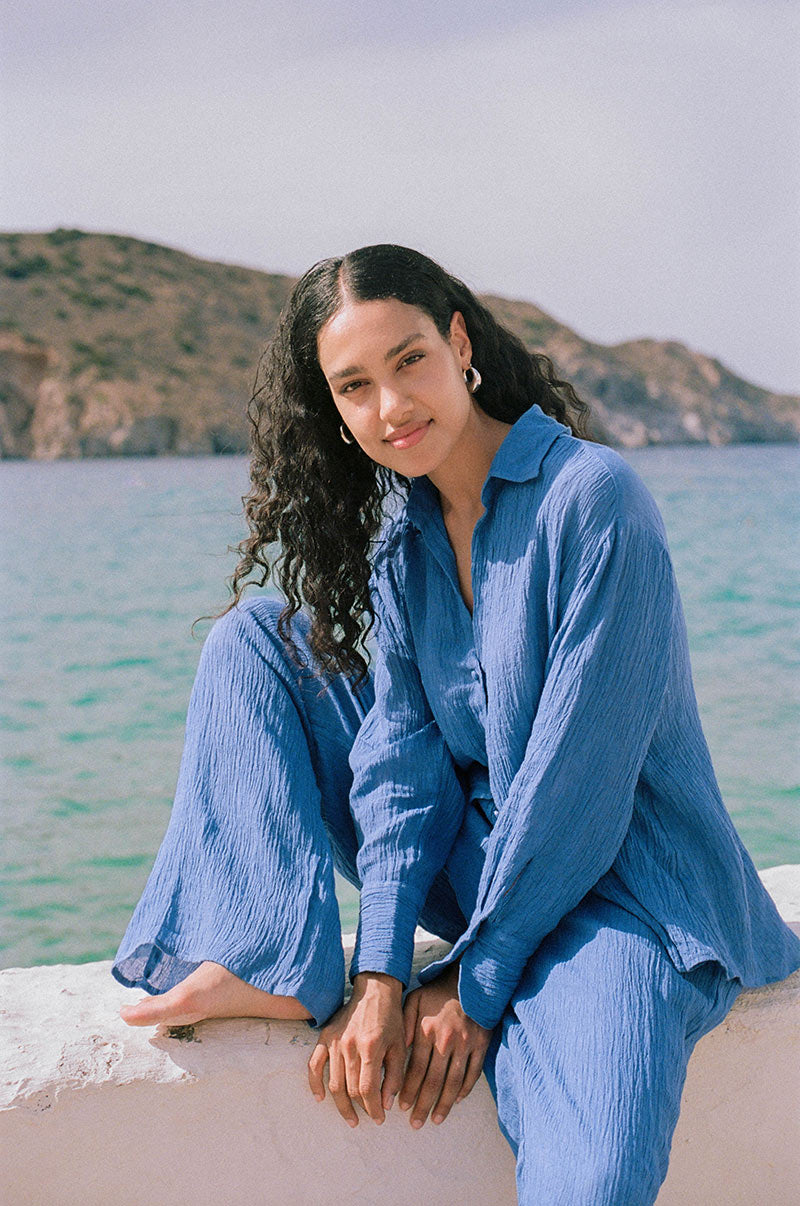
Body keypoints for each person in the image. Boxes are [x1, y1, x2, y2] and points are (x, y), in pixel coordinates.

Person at [112, 244, 800, 1204]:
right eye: (354, 387)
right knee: (256, 640)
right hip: (480, 860)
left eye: (408, 362)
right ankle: (271, 957)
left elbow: (581, 788)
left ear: (460, 344)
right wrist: (385, 972)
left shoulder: (592, 500)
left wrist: (473, 983)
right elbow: (401, 767)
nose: (390, 407)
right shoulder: (406, 533)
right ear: (335, 413)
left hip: (623, 888)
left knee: (594, 1173)